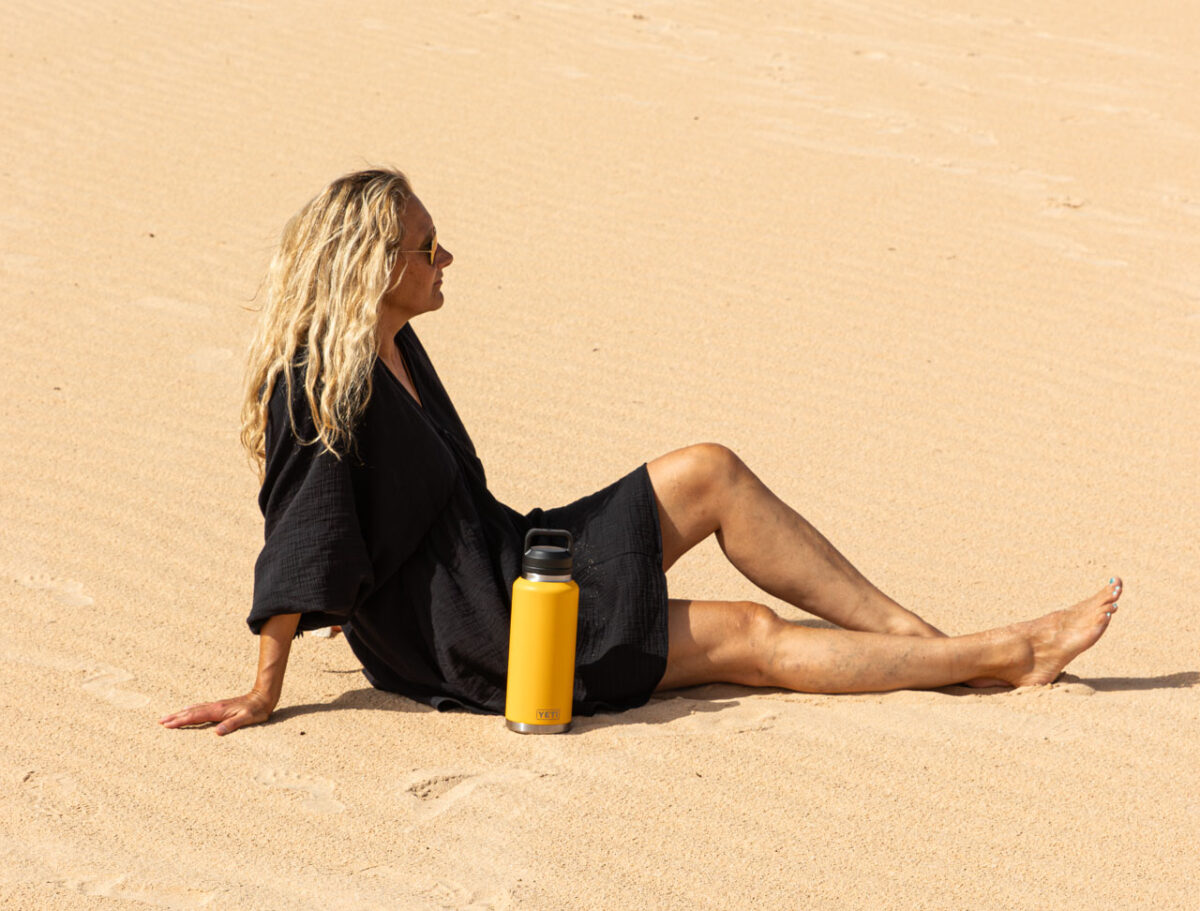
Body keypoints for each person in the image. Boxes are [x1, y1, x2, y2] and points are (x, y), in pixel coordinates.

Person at [160, 169, 1122, 737]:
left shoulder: (390, 342)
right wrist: (265, 682)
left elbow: (379, 509)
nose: (444, 259)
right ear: (377, 265)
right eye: (427, 246)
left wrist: (364, 580)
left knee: (710, 467)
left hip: (507, 556)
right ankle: (1007, 652)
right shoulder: (320, 380)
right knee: (747, 634)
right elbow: (303, 526)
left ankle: (920, 642)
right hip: (483, 629)